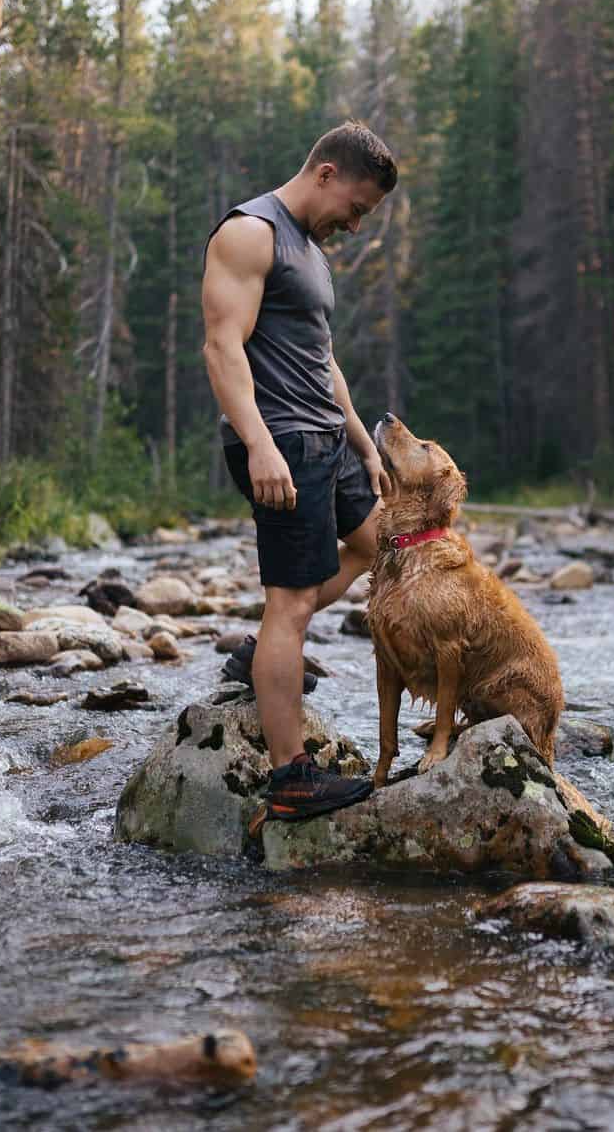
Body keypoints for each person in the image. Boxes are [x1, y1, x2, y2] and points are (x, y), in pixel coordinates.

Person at [201, 120, 398, 821]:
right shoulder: (251, 233)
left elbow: (323, 359)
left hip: (327, 442)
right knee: (291, 602)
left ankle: (263, 654)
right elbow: (223, 347)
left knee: (388, 547)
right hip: (280, 442)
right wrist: (257, 443)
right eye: (358, 206)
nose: (356, 222)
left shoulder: (310, 251)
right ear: (327, 174)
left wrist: (366, 445)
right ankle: (290, 778)